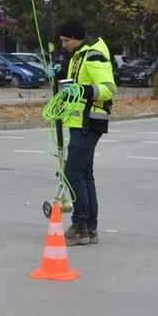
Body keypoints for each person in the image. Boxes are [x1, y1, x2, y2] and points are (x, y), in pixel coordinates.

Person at [46, 19, 117, 246]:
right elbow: (76, 82)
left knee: (72, 171)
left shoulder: (94, 55)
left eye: (67, 40)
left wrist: (81, 90)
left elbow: (108, 89)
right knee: (84, 173)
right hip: (81, 122)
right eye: (62, 41)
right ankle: (89, 228)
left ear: (77, 38)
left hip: (90, 121)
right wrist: (61, 75)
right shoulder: (79, 55)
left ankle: (80, 226)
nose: (64, 45)